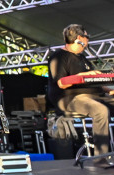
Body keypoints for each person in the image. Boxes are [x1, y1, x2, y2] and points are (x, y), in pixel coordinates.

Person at [47, 24, 113, 156]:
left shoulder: (82, 58)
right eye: (87, 37)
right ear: (79, 38)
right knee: (101, 111)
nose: (88, 40)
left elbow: (93, 82)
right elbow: (61, 83)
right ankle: (101, 157)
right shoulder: (58, 57)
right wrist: (82, 75)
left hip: (94, 95)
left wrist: (109, 90)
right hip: (70, 99)